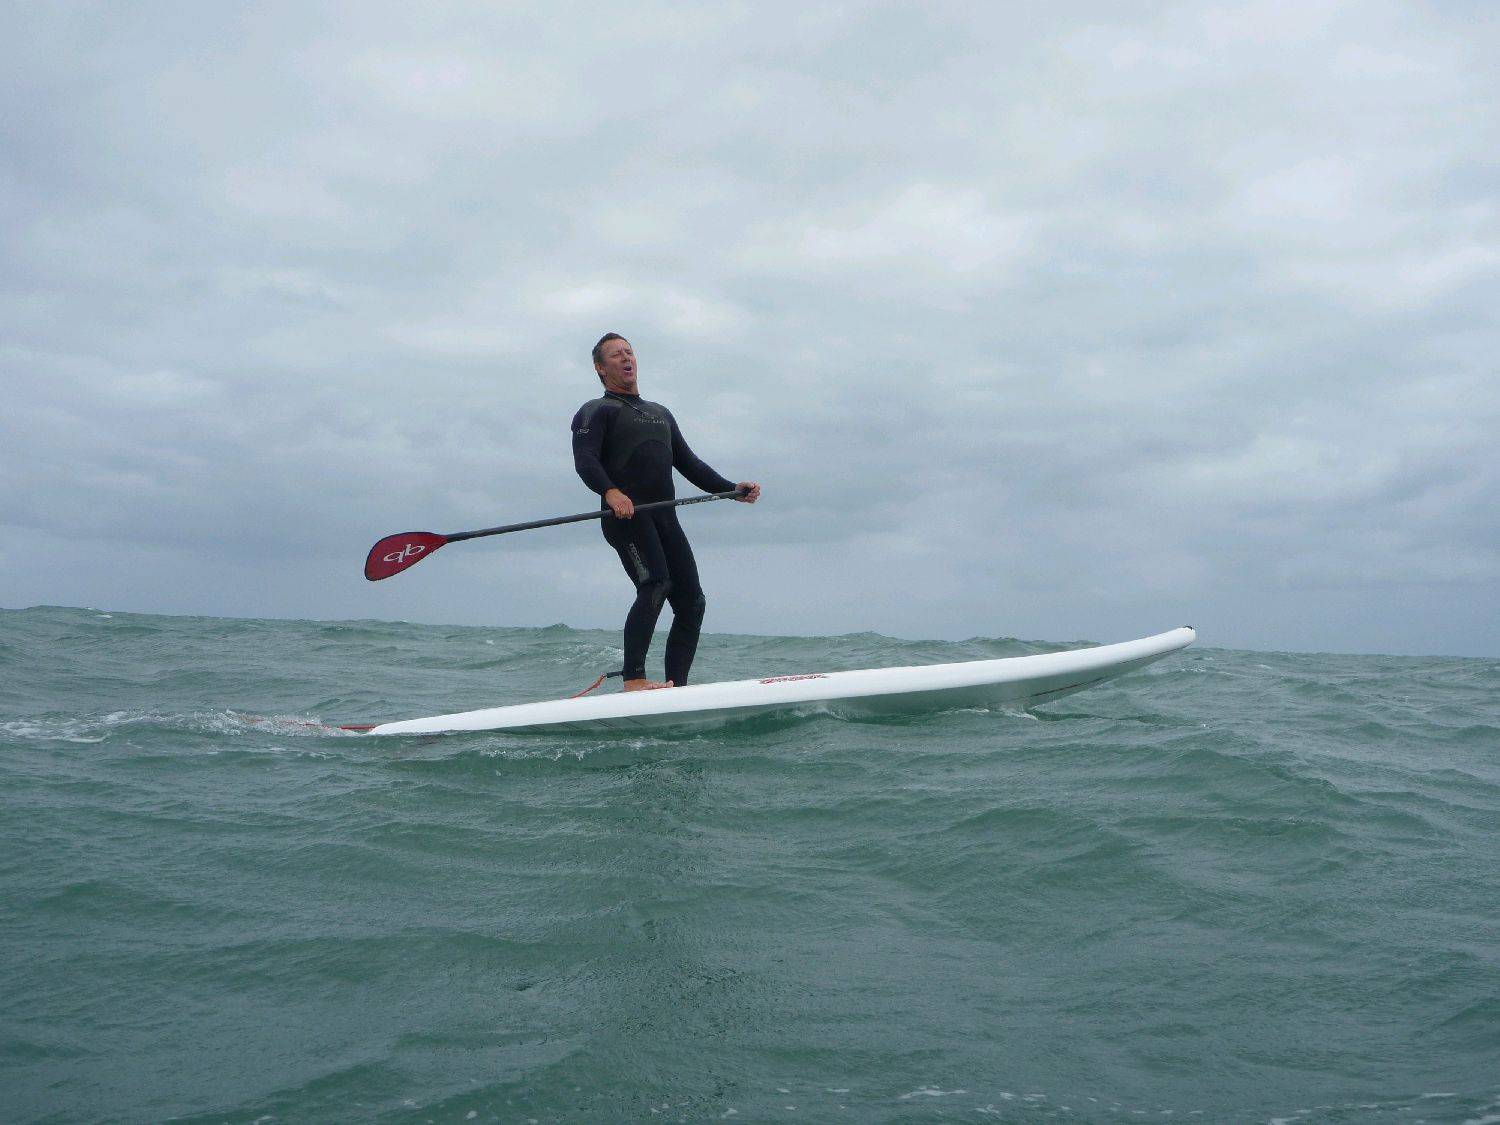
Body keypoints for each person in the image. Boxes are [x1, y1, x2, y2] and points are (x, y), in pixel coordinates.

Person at [571, 333, 760, 691]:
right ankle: (634, 679)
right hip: (626, 517)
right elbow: (585, 460)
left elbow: (689, 463)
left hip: (665, 518)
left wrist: (730, 490)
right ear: (600, 367)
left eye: (629, 352)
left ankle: (677, 688)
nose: (626, 358)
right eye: (616, 354)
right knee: (655, 583)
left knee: (692, 602)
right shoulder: (595, 411)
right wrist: (610, 492)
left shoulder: (660, 414)